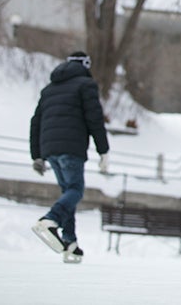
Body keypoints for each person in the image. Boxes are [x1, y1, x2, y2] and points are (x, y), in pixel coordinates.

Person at [29, 51, 110, 264]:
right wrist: (103, 150)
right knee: (75, 190)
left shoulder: (49, 89)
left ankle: (70, 242)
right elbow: (94, 119)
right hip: (71, 146)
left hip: (50, 149)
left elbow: (35, 121)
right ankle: (51, 219)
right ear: (85, 64)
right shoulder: (86, 85)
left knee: (68, 193)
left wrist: (37, 155)